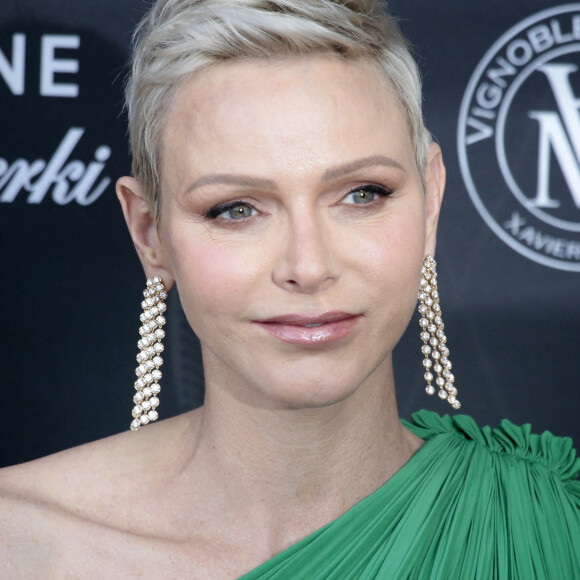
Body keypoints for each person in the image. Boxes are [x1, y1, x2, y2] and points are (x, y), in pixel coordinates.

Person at [1, 0, 578, 577]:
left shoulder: (554, 526)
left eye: (362, 194)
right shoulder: (20, 543)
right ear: (150, 233)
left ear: (429, 203)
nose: (308, 265)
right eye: (236, 209)